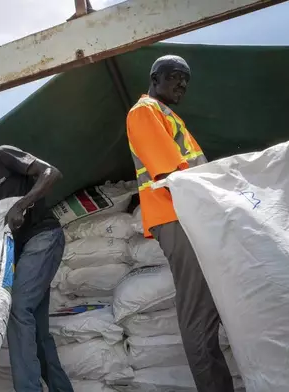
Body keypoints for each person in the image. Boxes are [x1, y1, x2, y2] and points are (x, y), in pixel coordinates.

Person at [126, 55, 233, 392]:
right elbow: (173, 173)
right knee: (198, 310)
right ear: (154, 78)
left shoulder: (169, 116)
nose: (183, 85)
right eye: (175, 77)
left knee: (206, 307)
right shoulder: (144, 111)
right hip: (174, 215)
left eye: (186, 79)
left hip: (186, 214)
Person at [0, 127, 73, 392]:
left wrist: (22, 204)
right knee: (37, 335)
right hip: (16, 252)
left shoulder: (3, 156)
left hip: (43, 236)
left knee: (17, 307)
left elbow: (51, 172)